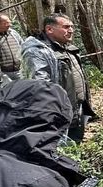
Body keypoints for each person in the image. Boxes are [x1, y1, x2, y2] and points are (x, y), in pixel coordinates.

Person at [21, 14, 96, 143]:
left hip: (78, 107)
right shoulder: (38, 52)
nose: (71, 30)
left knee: (75, 143)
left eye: (72, 27)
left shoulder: (67, 48)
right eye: (66, 27)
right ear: (49, 29)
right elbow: (41, 86)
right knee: (60, 149)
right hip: (58, 112)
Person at [0, 14, 24, 82]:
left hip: (20, 71)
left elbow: (22, 46)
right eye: (6, 23)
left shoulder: (13, 33)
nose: (9, 25)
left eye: (9, 22)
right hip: (3, 74)